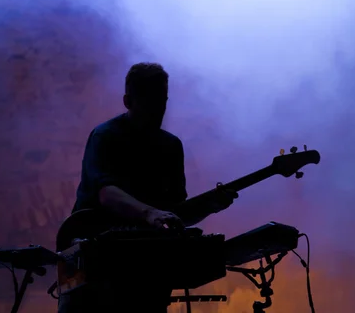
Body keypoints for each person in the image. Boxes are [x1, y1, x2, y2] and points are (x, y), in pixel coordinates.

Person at [58, 62, 237, 313]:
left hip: (147, 274)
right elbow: (106, 193)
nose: (158, 109)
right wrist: (149, 213)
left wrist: (209, 206)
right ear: (127, 101)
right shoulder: (105, 136)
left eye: (162, 100)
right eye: (149, 101)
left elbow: (176, 216)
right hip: (92, 270)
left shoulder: (171, 146)